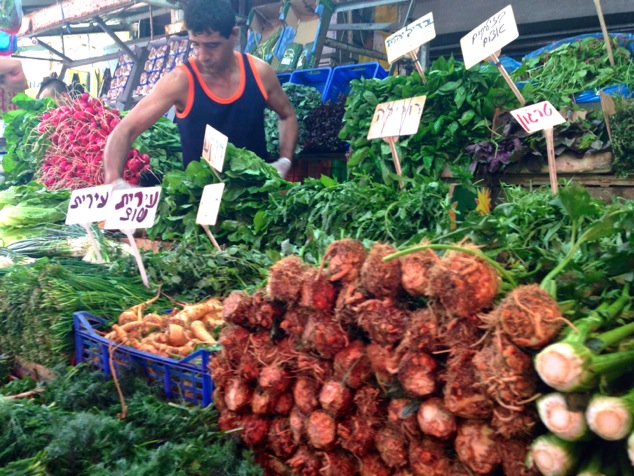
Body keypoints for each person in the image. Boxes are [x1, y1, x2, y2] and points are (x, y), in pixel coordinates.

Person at [103, 0, 298, 184]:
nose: (202, 55)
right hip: (199, 203)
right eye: (196, 44)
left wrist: (285, 160)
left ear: (233, 35)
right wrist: (113, 181)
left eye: (212, 45)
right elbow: (123, 131)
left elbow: (287, 115)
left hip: (257, 198)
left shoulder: (259, 73)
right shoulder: (180, 82)